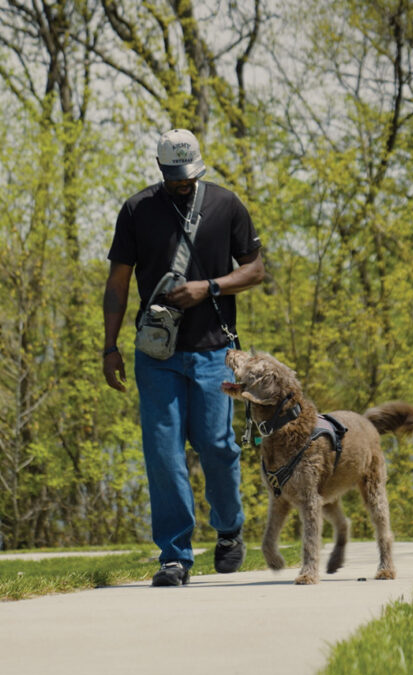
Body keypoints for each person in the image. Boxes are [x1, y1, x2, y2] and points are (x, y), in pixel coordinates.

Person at [102, 128, 264, 586]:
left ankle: (229, 530)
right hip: (156, 354)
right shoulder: (137, 211)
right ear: (160, 169)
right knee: (164, 454)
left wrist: (209, 287)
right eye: (175, 176)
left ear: (199, 166)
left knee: (217, 446)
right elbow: (117, 285)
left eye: (189, 175)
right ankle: (174, 556)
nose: (183, 183)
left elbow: (255, 269)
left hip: (214, 350)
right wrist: (110, 346)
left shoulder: (225, 204)